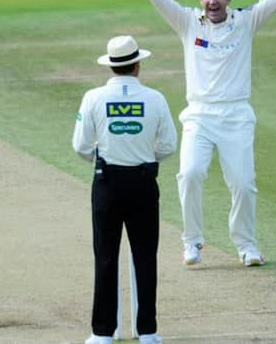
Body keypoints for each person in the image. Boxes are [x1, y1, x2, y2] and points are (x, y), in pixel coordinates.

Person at [127, 0, 276, 267]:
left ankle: (246, 246)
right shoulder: (189, 22)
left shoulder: (244, 22)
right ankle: (192, 242)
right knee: (189, 174)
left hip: (236, 115)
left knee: (243, 183)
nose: (212, 2)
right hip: (199, 115)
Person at [72, 35, 177, 344]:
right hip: (143, 183)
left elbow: (80, 145)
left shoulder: (93, 97)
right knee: (145, 256)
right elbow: (169, 145)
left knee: (105, 255)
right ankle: (147, 332)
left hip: (107, 183)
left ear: (111, 66)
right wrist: (145, 158)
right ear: (138, 65)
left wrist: (103, 159)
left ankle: (102, 333)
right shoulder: (155, 98)